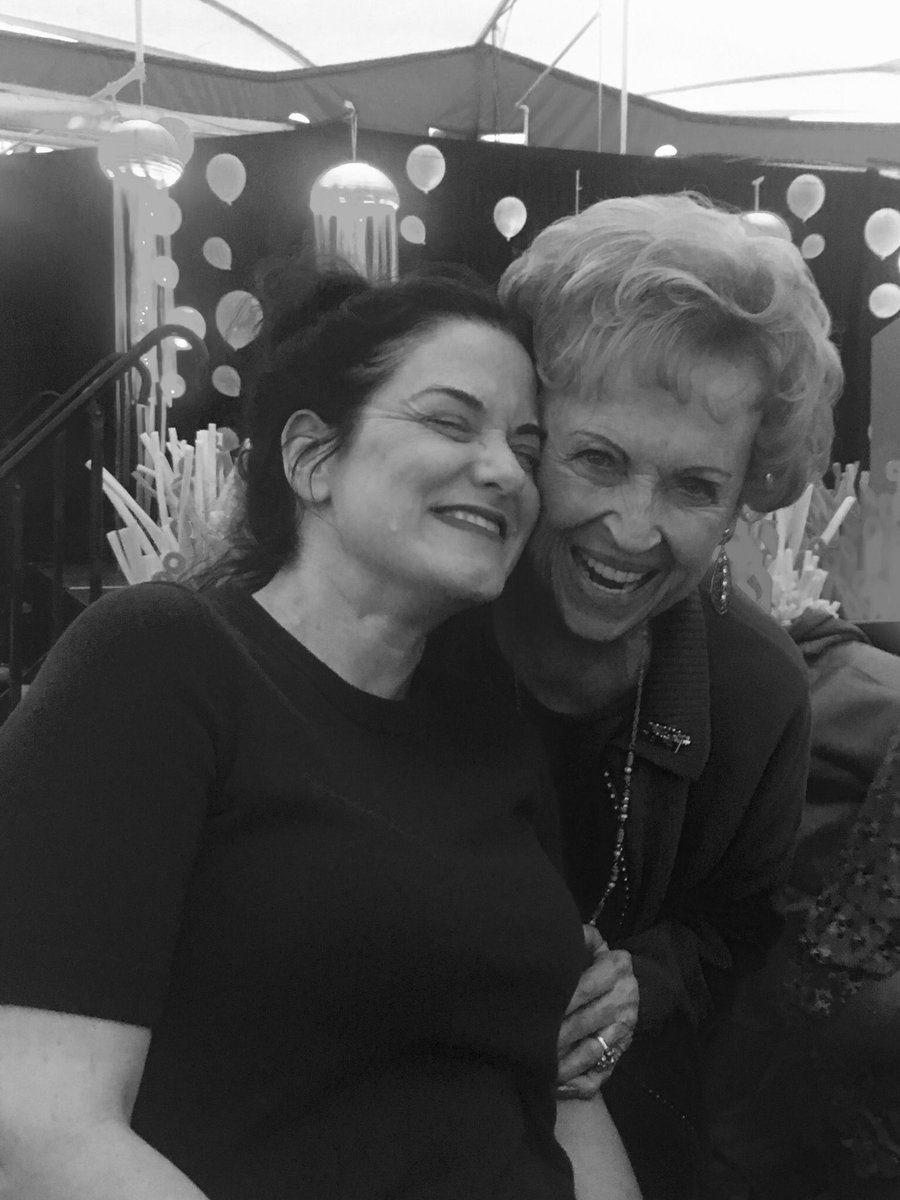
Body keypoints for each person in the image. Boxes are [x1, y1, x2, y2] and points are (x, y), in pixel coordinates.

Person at [0, 267, 640, 1199]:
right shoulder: (159, 661)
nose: (506, 471)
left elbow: (561, 1091)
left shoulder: (491, 735)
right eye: (451, 422)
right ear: (311, 458)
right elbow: (36, 1129)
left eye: (525, 445)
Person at [425, 192, 845, 1198]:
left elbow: (740, 928)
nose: (632, 528)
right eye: (598, 460)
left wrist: (636, 985)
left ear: (744, 497)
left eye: (696, 487)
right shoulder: (413, 620)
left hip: (619, 1122)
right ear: (528, 435)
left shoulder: (754, 692)